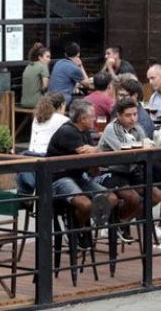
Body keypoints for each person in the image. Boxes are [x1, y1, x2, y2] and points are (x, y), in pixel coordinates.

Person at [45, 100, 118, 249]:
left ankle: (80, 225)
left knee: (111, 198)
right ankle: (75, 230)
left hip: (78, 176)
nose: (95, 119)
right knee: (86, 205)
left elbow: (92, 159)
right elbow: (87, 155)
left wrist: (95, 153)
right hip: (59, 178)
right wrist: (97, 152)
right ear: (82, 119)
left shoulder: (84, 131)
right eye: (92, 116)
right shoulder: (68, 132)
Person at [96, 98, 161, 242]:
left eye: (135, 114)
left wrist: (145, 145)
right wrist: (144, 145)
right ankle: (113, 225)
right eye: (128, 115)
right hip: (109, 172)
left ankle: (120, 222)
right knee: (133, 198)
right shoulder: (112, 128)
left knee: (156, 195)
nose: (133, 118)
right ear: (119, 116)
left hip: (130, 170)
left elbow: (146, 147)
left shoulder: (137, 128)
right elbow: (126, 150)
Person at [20, 43, 51, 108]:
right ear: (40, 57)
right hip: (37, 102)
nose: (49, 59)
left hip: (24, 102)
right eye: (47, 57)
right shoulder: (43, 66)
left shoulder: (28, 66)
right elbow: (45, 86)